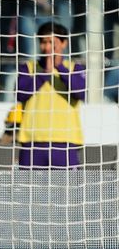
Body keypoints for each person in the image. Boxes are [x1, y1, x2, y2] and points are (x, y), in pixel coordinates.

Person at [17, 22, 85, 168]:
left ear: (64, 43)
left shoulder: (74, 68)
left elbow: (80, 92)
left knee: (67, 189)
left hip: (65, 141)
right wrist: (45, 73)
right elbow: (20, 94)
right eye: (43, 42)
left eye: (52, 43)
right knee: (30, 190)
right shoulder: (29, 68)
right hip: (32, 141)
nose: (47, 47)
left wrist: (59, 67)